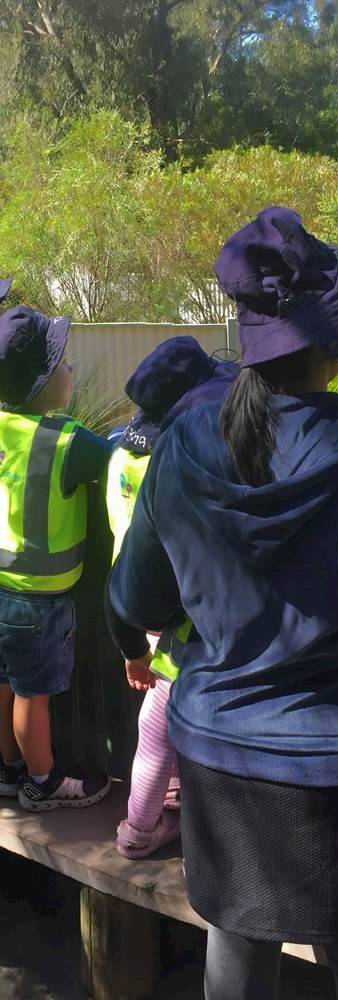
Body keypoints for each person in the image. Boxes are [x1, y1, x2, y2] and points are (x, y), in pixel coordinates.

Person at [106, 206, 338, 1000]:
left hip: (221, 762)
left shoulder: (182, 445)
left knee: (235, 960)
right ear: (334, 344)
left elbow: (132, 598)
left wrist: (138, 652)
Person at [109, 336, 235, 857]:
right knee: (161, 722)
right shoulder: (183, 465)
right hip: (179, 611)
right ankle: (138, 830)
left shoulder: (120, 456)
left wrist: (131, 645)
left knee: (162, 715)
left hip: (141, 602)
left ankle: (165, 801)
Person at [0, 301, 114, 811]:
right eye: (62, 364)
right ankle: (42, 784)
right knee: (33, 694)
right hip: (37, 600)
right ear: (42, 383)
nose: (70, 370)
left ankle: (9, 770)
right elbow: (119, 460)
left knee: (3, 684)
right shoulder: (68, 441)